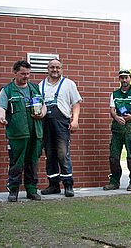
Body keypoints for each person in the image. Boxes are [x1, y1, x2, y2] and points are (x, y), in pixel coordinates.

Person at [0, 60, 46, 202]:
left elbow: (43, 106)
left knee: (32, 162)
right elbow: (1, 107)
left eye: (28, 74)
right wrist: (1, 117)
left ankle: (31, 190)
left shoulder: (35, 88)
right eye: (23, 74)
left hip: (35, 132)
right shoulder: (7, 90)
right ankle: (13, 190)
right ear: (15, 72)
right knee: (16, 163)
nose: (26, 76)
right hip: (17, 133)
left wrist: (42, 113)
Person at [39, 58, 82, 197]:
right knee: (50, 155)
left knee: (63, 154)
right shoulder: (40, 85)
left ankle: (68, 185)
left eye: (57, 67)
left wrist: (75, 120)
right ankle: (53, 185)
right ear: (48, 68)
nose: (55, 70)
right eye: (52, 67)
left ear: (61, 69)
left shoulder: (69, 84)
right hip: (45, 123)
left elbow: (76, 104)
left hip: (62, 122)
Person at [103, 69, 131, 191]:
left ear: (130, 78)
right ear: (119, 79)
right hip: (117, 129)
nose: (124, 80)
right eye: (122, 77)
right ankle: (114, 181)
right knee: (114, 157)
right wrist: (116, 117)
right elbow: (112, 109)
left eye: (126, 77)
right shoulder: (114, 94)